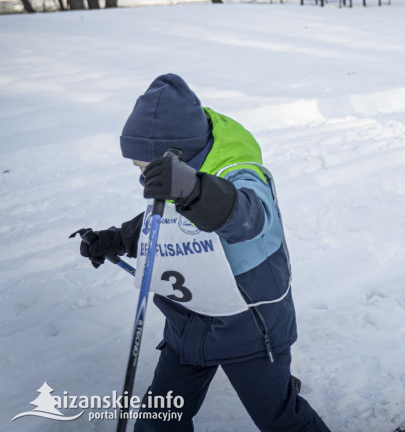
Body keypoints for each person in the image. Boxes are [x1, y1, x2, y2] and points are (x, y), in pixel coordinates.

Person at [75, 73, 329, 431]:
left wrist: (194, 191)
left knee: (279, 418)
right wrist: (117, 239)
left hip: (248, 329)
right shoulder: (179, 177)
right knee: (158, 419)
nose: (142, 175)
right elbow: (164, 220)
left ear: (178, 155)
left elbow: (250, 217)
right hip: (188, 325)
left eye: (145, 166)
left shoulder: (238, 171)